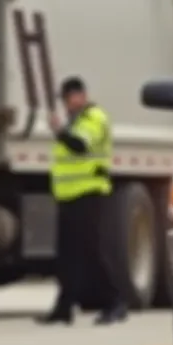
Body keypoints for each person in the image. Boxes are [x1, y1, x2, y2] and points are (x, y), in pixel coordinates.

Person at [36, 75, 128, 327]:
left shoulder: (93, 118)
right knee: (67, 255)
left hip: (89, 193)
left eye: (69, 98)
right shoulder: (75, 121)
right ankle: (63, 308)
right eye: (64, 99)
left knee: (91, 252)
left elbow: (80, 146)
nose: (67, 104)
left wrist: (59, 131)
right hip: (69, 196)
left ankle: (115, 301)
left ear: (81, 96)